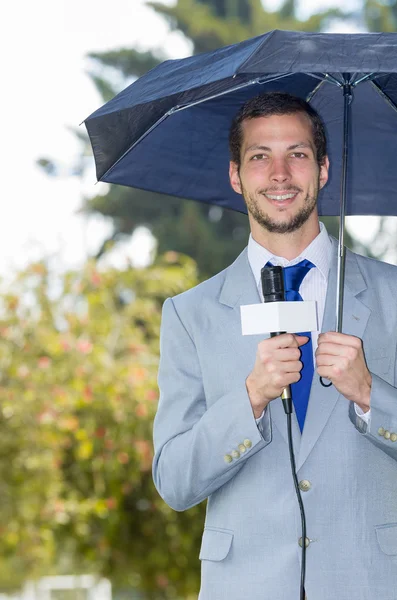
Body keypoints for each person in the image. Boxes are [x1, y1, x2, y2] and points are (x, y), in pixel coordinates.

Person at [152, 92, 397, 600]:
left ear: (324, 169)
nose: (280, 174)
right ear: (236, 176)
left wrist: (373, 394)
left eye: (298, 154)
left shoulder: (393, 294)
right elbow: (174, 481)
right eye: (260, 157)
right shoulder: (189, 314)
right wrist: (250, 399)